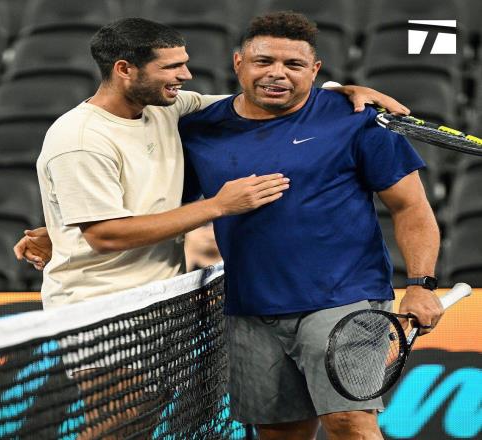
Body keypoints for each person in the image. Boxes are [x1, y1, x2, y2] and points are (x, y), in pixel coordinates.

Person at [13, 15, 418, 440]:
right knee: (116, 426)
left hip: (160, 301)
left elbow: (261, 96)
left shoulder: (167, 109)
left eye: (184, 63)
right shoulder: (80, 139)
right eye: (171, 67)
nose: (185, 75)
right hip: (100, 307)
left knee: (141, 420)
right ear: (125, 69)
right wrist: (219, 206)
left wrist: (339, 92)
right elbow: (105, 234)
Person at [176, 12, 443, 440]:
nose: (277, 73)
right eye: (264, 61)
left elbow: (411, 207)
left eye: (294, 64)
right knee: (280, 433)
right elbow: (166, 202)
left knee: (351, 423)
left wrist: (421, 284)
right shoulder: (198, 129)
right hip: (248, 306)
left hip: (344, 299)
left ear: (315, 70)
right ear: (238, 63)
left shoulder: (357, 117)